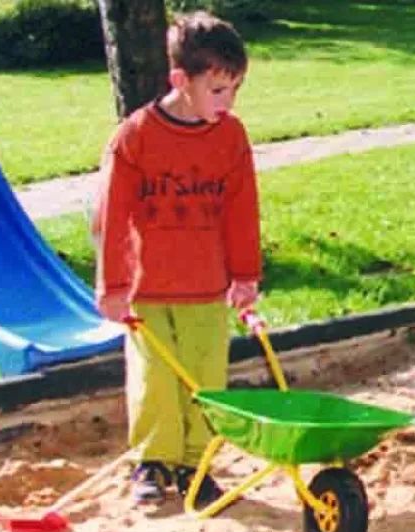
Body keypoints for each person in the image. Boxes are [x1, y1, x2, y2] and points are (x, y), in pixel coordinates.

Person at [91, 11, 261, 507]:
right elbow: (113, 218)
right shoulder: (135, 137)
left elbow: (241, 210)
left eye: (234, 90)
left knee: (206, 381)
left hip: (207, 286)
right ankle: (153, 461)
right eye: (217, 90)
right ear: (180, 81)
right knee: (154, 381)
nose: (227, 102)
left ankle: (196, 464)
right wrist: (114, 285)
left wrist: (245, 275)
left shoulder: (230, 138)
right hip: (149, 290)